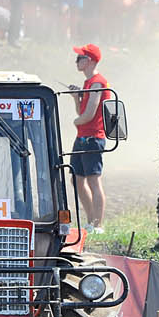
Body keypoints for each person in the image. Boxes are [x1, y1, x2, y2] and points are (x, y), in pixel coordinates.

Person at [68, 44, 110, 232]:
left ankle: (98, 225)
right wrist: (76, 98)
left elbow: (89, 114)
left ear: (90, 61)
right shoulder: (87, 84)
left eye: (80, 58)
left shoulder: (97, 82)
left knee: (93, 180)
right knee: (77, 180)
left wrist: (76, 121)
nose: (77, 61)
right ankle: (90, 220)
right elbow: (82, 110)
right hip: (82, 137)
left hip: (92, 138)